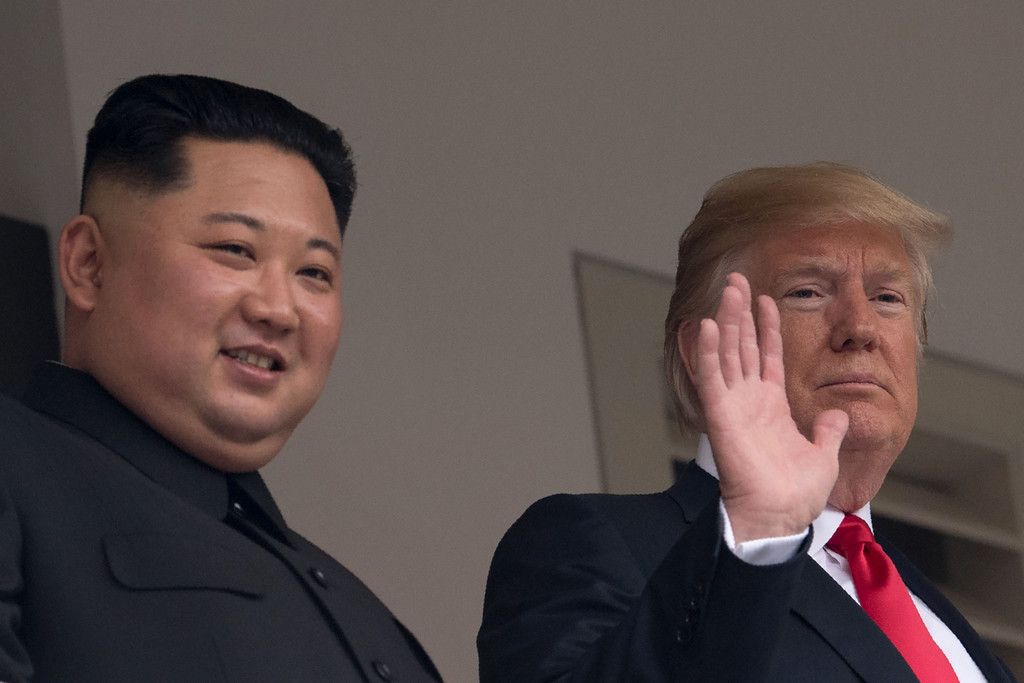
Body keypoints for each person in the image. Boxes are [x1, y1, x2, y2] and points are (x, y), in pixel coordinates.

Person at [478, 163, 1015, 681]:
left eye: (888, 298)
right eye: (807, 292)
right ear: (702, 350)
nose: (860, 327)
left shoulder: (944, 620)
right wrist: (759, 534)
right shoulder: (594, 543)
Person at [0, 74, 441, 682]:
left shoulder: (354, 602)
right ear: (89, 264)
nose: (279, 310)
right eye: (235, 250)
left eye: (314, 273)